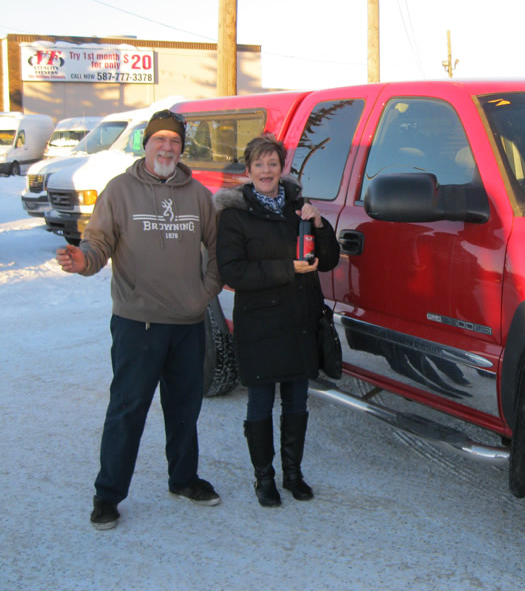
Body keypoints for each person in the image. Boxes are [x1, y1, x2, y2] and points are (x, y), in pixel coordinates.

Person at [55, 109, 223, 530]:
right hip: (137, 323)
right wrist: (83, 260)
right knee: (127, 409)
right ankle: (108, 495)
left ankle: (183, 479)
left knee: (184, 409)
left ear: (182, 148)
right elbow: (97, 244)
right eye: (159, 139)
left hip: (187, 324)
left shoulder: (198, 196)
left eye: (174, 141)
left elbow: (219, 250)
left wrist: (205, 293)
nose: (167, 147)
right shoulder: (120, 191)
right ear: (145, 144)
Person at [215, 134, 339, 507]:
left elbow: (328, 259)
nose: (266, 170)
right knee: (260, 403)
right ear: (248, 170)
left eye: (273, 163)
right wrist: (288, 268)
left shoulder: (299, 208)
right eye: (259, 164)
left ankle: (293, 474)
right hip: (260, 326)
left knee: (297, 402)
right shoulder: (235, 215)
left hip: (299, 321)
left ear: (281, 167)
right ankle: (264, 478)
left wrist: (319, 224)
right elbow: (233, 272)